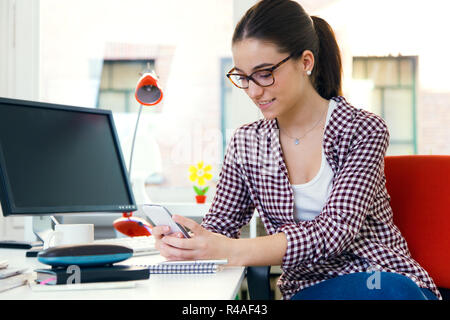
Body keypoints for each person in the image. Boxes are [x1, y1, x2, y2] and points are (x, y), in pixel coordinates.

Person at [153, 0, 441, 300]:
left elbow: (335, 231)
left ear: (305, 62)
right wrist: (185, 241)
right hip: (308, 291)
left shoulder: (362, 130)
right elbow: (220, 226)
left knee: (390, 291)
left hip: (381, 280)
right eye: (243, 77)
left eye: (264, 73)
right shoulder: (247, 142)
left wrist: (232, 251)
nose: (253, 90)